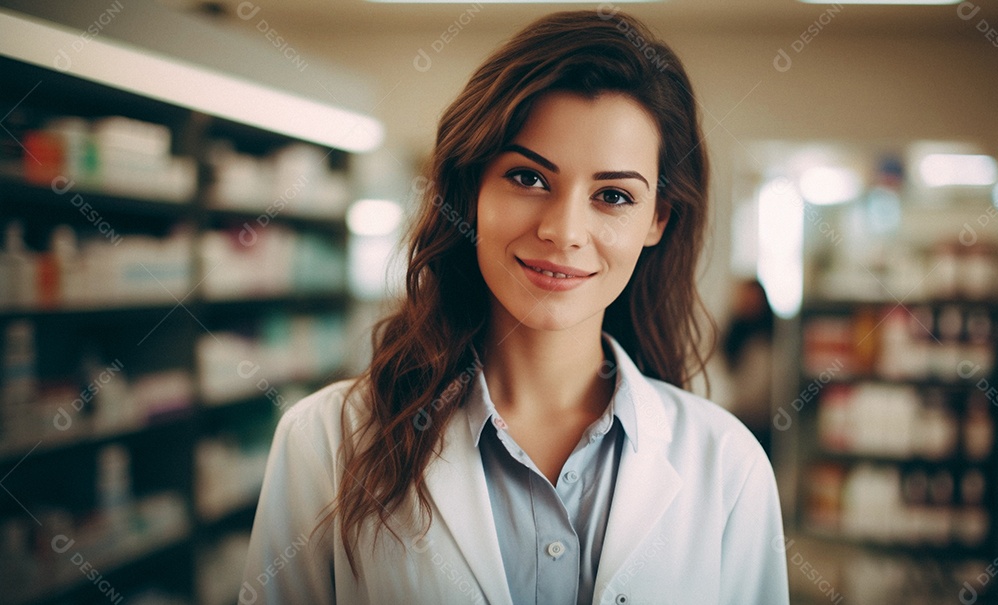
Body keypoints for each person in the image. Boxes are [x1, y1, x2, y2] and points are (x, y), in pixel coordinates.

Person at [241, 9, 789, 605]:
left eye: (613, 196)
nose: (564, 231)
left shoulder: (728, 465)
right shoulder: (327, 443)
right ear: (471, 191)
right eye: (529, 178)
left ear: (657, 220)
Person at [720, 279, 775, 455]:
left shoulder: (769, 339)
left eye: (752, 297)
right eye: (743, 297)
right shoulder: (733, 332)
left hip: (764, 418)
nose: (747, 302)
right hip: (739, 413)